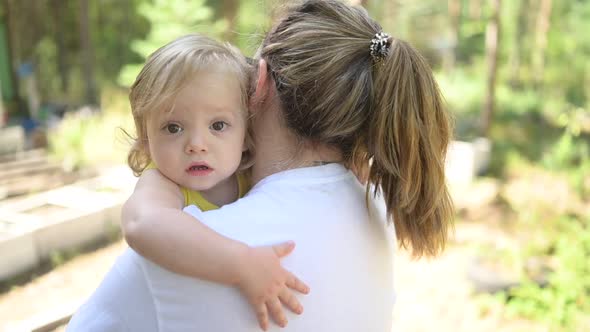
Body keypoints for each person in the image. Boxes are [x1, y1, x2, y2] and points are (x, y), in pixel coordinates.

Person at [68, 0, 453, 331]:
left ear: (261, 83)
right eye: (173, 127)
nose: (198, 144)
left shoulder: (182, 252)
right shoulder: (374, 213)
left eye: (217, 124)